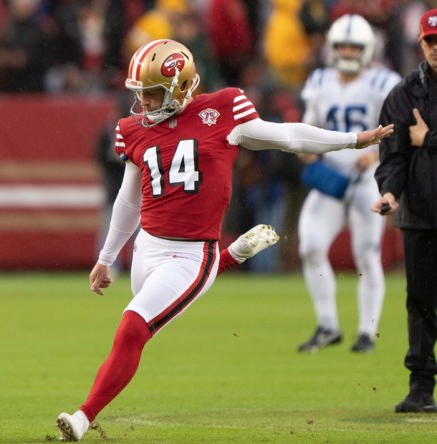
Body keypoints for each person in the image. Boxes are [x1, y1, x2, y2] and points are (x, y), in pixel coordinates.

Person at [55, 38, 394, 441]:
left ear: (180, 86)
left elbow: (288, 136)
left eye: (151, 93)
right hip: (148, 246)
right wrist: (107, 256)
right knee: (142, 323)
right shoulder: (132, 130)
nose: (142, 103)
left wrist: (353, 139)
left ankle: (82, 417)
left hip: (190, 254)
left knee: (132, 329)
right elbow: (128, 199)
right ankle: (228, 258)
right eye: (139, 93)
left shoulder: (223, 109)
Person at [296, 14, 401, 354]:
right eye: (343, 45)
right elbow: (309, 127)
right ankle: (328, 325)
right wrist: (307, 153)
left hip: (367, 178)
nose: (349, 52)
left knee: (366, 253)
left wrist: (376, 153)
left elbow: (398, 126)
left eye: (355, 46)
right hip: (331, 177)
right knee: (310, 245)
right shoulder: (319, 80)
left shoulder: (383, 81)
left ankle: (367, 332)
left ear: (368, 49)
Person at [372, 8, 437, 414]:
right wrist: (390, 192)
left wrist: (430, 139)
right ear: (421, 43)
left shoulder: (406, 93)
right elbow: (393, 153)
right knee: (420, 302)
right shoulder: (404, 93)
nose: (436, 50)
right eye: (431, 42)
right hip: (420, 212)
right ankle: (421, 388)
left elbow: (418, 141)